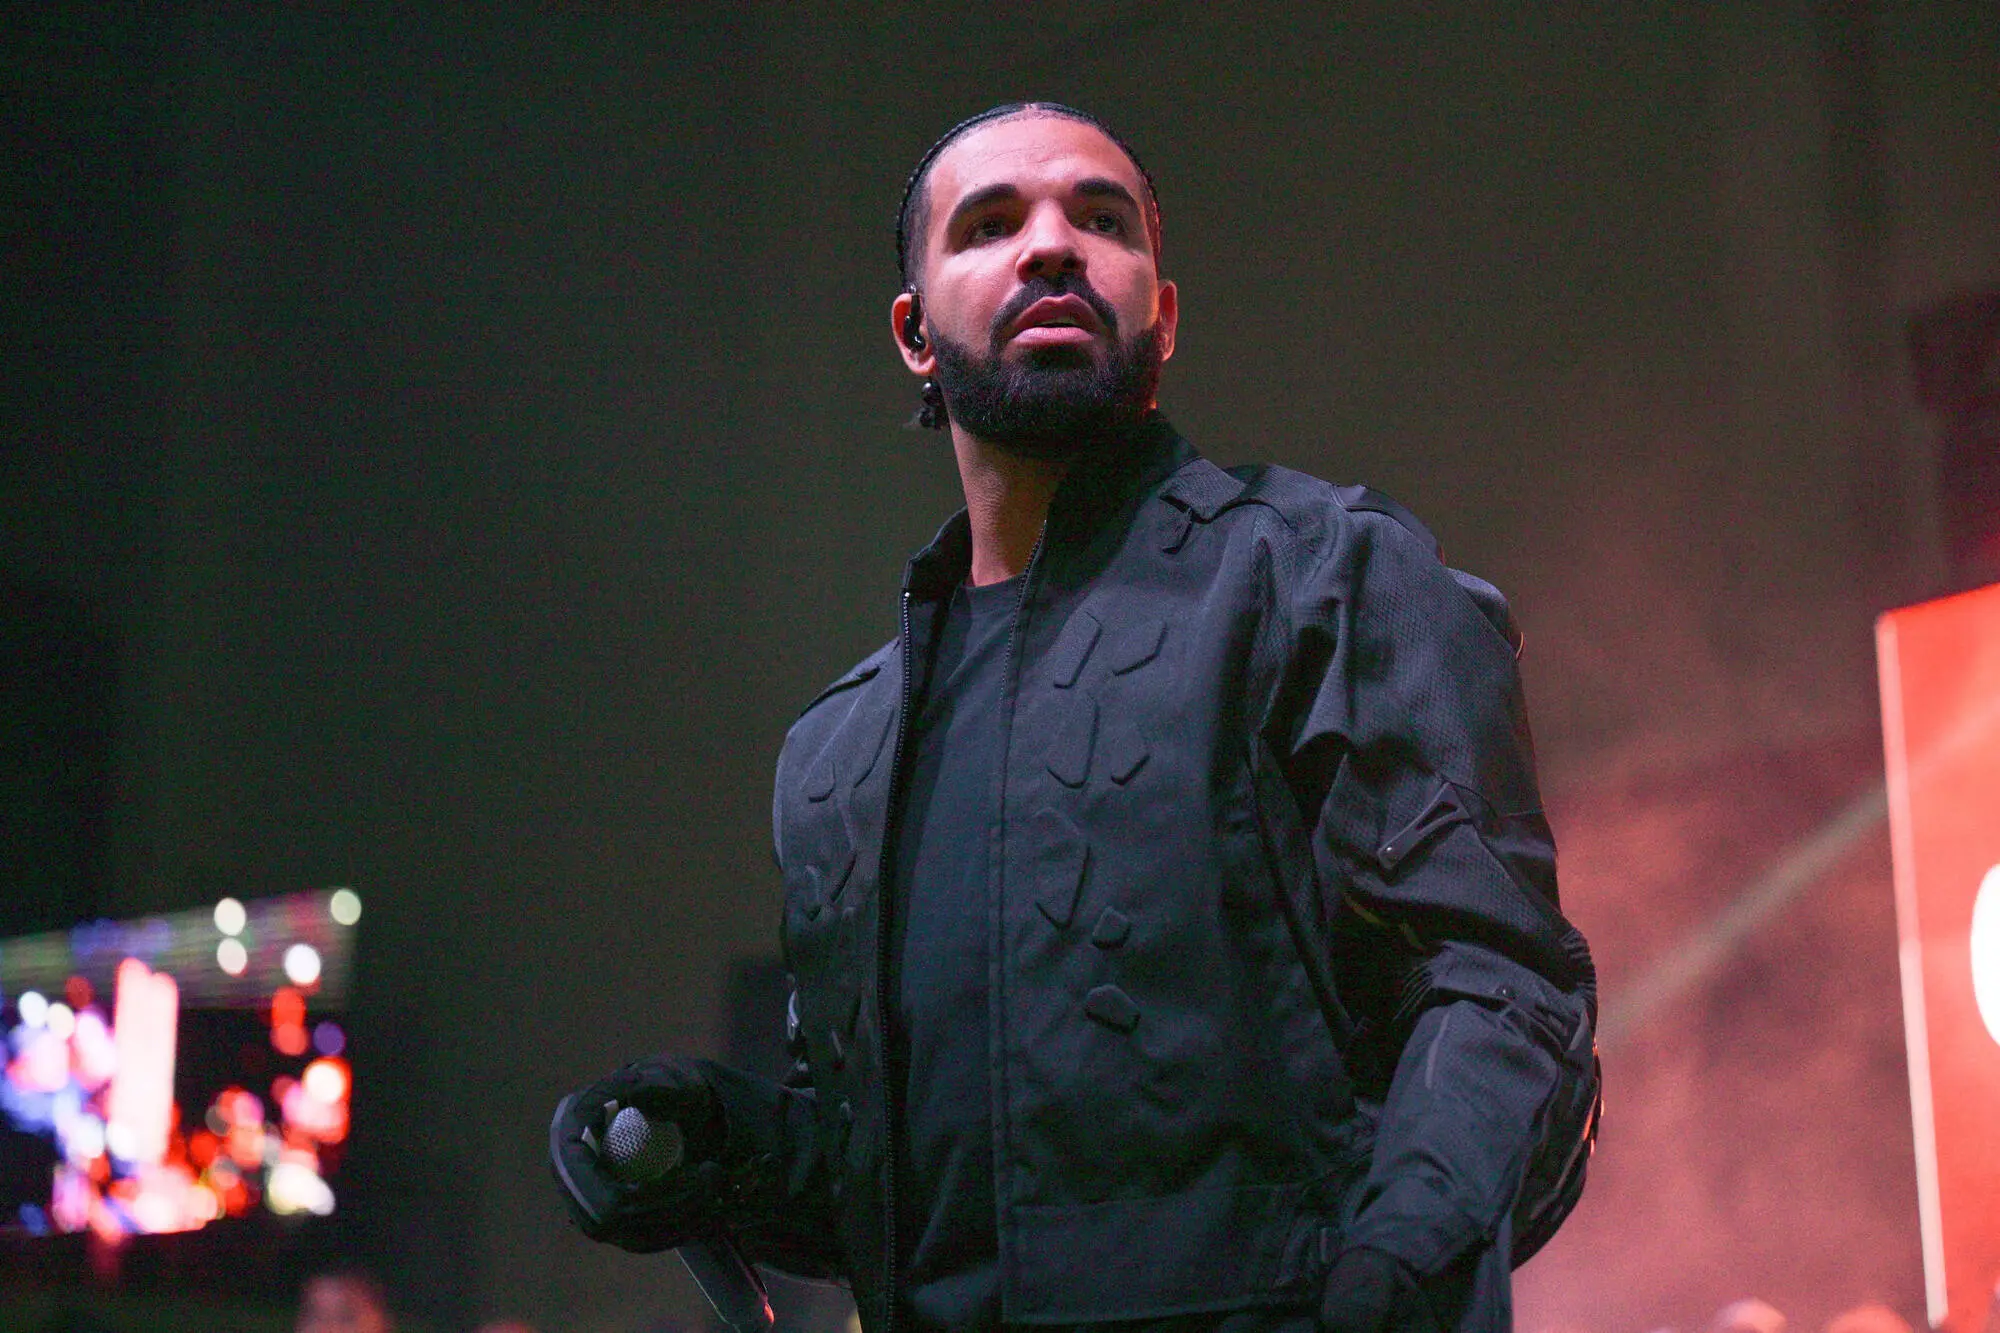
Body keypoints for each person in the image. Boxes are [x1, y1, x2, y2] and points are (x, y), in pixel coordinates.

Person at [551, 102, 1597, 1333]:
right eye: (989, 224)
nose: (1050, 245)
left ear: (1160, 310)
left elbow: (1497, 985)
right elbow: (896, 1187)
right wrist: (716, 1145)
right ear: (914, 334)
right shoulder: (838, 756)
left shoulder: (1328, 579)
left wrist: (1401, 1263)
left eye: (1098, 219)